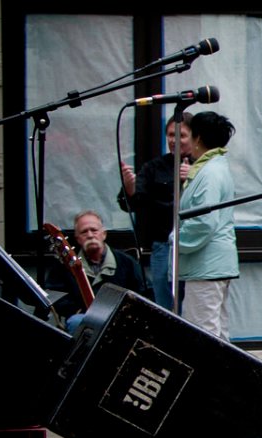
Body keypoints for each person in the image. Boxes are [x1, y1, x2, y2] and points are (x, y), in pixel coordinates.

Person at [175, 111, 240, 340]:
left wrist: (176, 240)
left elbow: (204, 221)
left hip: (206, 264)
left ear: (198, 138)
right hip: (213, 263)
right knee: (217, 332)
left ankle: (211, 377)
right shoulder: (215, 167)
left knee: (203, 333)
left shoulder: (210, 172)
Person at [117, 113, 188, 309]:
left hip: (193, 247)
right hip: (164, 245)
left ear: (193, 138)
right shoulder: (154, 167)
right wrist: (129, 188)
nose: (174, 140)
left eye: (181, 135)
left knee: (193, 307)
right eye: (171, 135)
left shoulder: (201, 165)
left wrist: (193, 178)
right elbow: (132, 204)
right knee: (165, 304)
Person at [46, 210, 149, 324]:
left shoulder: (126, 262)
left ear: (103, 234)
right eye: (84, 232)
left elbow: (145, 293)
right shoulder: (66, 264)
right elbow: (54, 294)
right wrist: (77, 310)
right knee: (76, 321)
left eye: (94, 230)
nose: (90, 235)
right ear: (77, 238)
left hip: (121, 320)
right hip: (83, 320)